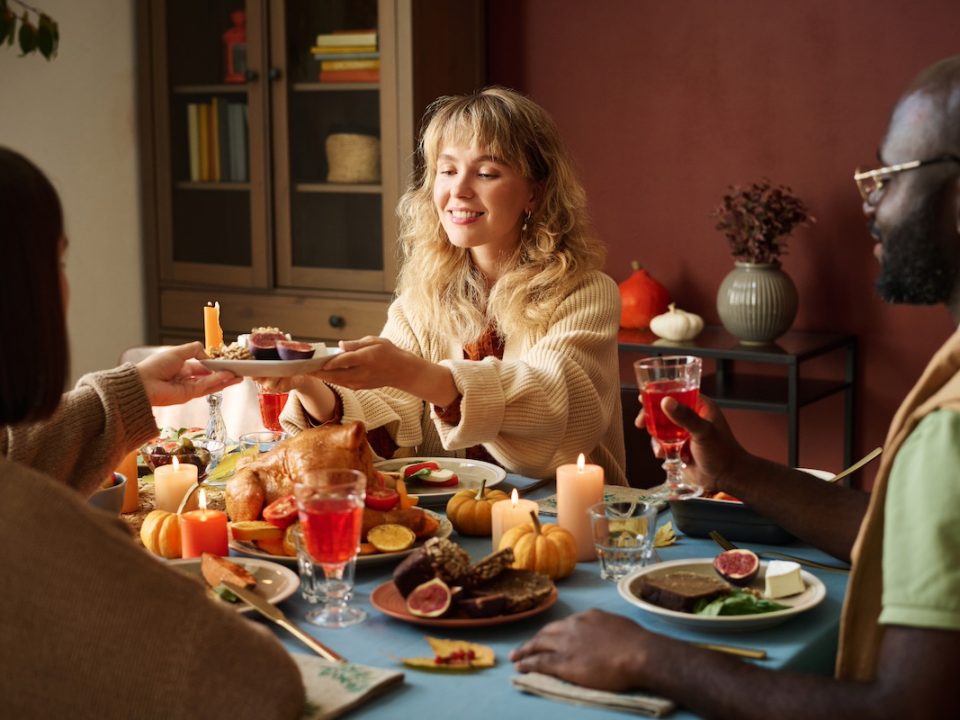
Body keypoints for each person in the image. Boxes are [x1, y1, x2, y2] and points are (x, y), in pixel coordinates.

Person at [511, 57, 960, 718]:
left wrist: (650, 658)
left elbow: (903, 708)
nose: (869, 200)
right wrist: (742, 471)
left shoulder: (949, 428)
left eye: (887, 176)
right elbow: (901, 534)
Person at [0, 147, 305, 718]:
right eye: (56, 264)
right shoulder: (33, 530)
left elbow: (14, 453)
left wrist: (128, 395)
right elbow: (256, 687)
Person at [267, 87, 627, 485]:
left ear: (535, 192)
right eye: (447, 170)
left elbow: (557, 410)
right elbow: (387, 426)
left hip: (569, 526)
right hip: (452, 525)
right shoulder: (420, 303)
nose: (459, 190)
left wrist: (413, 373)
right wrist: (308, 383)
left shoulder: (587, 293)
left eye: (486, 173)